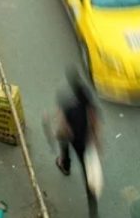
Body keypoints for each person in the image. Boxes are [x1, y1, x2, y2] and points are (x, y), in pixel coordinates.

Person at [54, 72, 101, 217]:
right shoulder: (86, 96)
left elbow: (64, 126)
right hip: (86, 140)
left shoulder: (66, 102)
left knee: (63, 140)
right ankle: (93, 210)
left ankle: (65, 165)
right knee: (88, 174)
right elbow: (93, 117)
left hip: (75, 139)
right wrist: (96, 139)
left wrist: (61, 132)